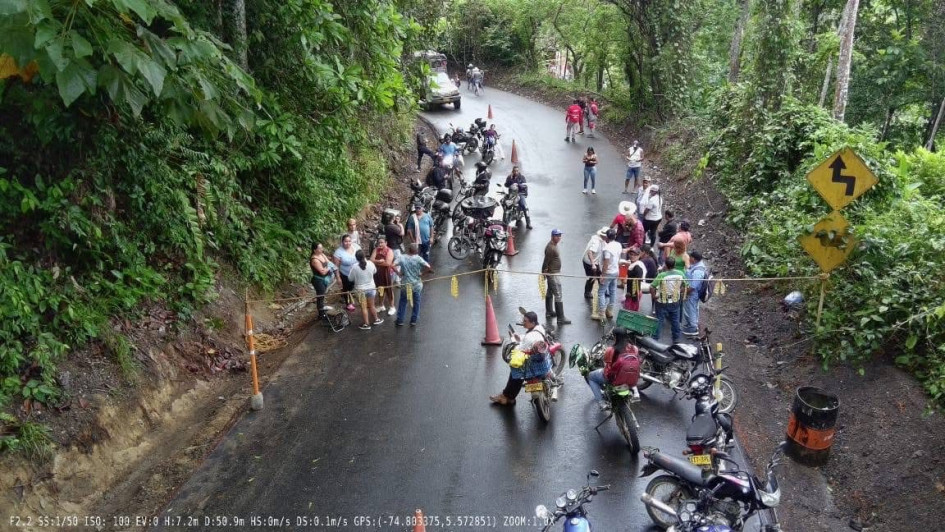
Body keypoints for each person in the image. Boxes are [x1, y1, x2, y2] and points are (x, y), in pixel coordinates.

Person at [489, 311, 552, 406]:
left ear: (533, 323)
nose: (523, 322)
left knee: (515, 373)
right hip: (540, 359)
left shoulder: (529, 337)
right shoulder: (539, 328)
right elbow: (528, 340)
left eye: (525, 321)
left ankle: (506, 396)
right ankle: (508, 397)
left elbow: (519, 349)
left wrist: (513, 339)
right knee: (518, 376)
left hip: (532, 363)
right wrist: (520, 338)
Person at [586, 327, 641, 411]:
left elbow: (606, 364)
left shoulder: (611, 350)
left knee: (591, 376)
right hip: (632, 379)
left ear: (615, 337)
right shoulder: (634, 348)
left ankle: (601, 403)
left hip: (614, 379)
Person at [394, 243, 433, 326]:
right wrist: (422, 273)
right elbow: (429, 267)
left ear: (409, 250)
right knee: (417, 302)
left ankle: (400, 320)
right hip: (416, 285)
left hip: (405, 284)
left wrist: (398, 273)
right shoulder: (418, 259)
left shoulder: (402, 257)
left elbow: (392, 265)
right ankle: (413, 320)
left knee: (403, 301)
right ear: (416, 251)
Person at [651, 256, 687, 343]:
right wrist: (679, 291)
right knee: (675, 320)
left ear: (665, 265)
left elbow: (652, 286)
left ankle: (655, 338)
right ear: (675, 265)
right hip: (675, 301)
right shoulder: (680, 274)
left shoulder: (662, 275)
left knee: (659, 320)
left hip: (662, 302)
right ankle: (676, 338)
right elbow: (686, 285)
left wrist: (654, 296)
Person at [542, 229, 571, 325]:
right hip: (553, 274)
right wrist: (544, 272)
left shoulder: (554, 245)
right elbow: (546, 262)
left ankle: (549, 311)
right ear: (552, 236)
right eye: (557, 236)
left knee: (550, 292)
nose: (559, 237)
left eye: (559, 235)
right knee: (558, 294)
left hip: (554, 273)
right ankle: (560, 318)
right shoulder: (550, 248)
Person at [348, 250, 382, 330]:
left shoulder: (354, 267)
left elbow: (350, 278)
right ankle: (377, 319)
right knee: (372, 305)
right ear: (364, 256)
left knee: (364, 307)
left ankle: (366, 324)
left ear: (356, 258)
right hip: (371, 288)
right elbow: (375, 272)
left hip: (360, 290)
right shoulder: (371, 263)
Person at [593, 229, 622, 321]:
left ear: (607, 237)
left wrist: (603, 275)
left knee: (601, 292)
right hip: (616, 271)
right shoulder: (618, 245)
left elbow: (606, 262)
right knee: (612, 291)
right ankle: (609, 311)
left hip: (608, 272)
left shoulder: (607, 249)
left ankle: (601, 313)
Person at [332, 234, 361, 311]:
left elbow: (361, 258)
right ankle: (348, 303)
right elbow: (336, 267)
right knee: (346, 289)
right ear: (342, 242)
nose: (348, 243)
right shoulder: (338, 252)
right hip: (345, 274)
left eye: (349, 241)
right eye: (345, 241)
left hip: (357, 273)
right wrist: (338, 278)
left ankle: (360, 300)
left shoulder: (356, 247)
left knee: (358, 287)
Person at [683, 250, 707, 338]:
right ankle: (691, 324)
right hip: (690, 292)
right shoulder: (696, 265)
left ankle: (693, 328)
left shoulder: (698, 271)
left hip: (692, 294)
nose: (689, 258)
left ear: (693, 258)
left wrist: (686, 292)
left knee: (691, 310)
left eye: (690, 257)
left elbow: (693, 286)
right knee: (690, 309)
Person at [309, 243, 336, 320]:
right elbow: (323, 272)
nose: (322, 250)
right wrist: (329, 267)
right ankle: (321, 315)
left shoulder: (322, 254)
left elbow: (329, 263)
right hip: (318, 280)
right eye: (320, 248)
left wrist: (328, 267)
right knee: (320, 297)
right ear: (315, 250)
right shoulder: (314, 260)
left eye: (322, 248)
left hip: (325, 279)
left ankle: (323, 311)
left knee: (322, 295)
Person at [370, 237, 396, 316]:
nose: (380, 244)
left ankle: (392, 307)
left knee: (389, 290)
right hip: (378, 273)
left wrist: (375, 262)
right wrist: (379, 261)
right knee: (380, 289)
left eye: (382, 242)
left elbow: (387, 263)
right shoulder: (376, 250)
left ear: (386, 242)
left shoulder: (389, 251)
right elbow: (371, 260)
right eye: (379, 243)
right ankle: (381, 305)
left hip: (387, 273)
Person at [582, 226, 608, 299]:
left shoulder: (602, 240)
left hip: (595, 261)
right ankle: (588, 292)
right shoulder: (596, 242)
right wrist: (593, 264)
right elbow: (590, 252)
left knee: (597, 275)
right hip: (590, 262)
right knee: (593, 276)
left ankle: (602, 290)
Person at [621, 246, 646, 311]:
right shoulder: (633, 263)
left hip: (634, 293)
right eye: (631, 254)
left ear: (638, 256)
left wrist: (633, 295)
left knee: (630, 312)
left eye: (635, 255)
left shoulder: (637, 266)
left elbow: (637, 282)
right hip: (630, 291)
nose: (632, 256)